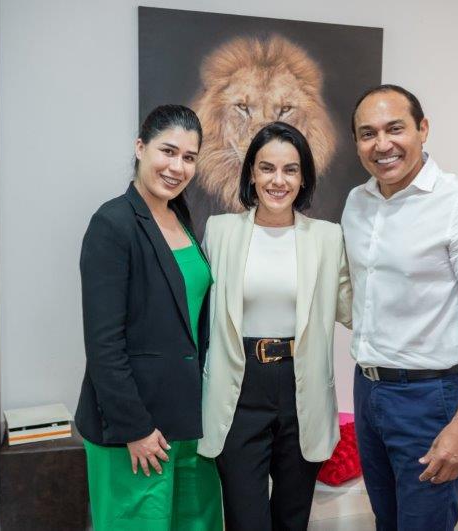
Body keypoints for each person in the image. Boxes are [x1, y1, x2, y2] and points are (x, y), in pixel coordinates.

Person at [342, 85, 458, 530]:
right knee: (386, 522)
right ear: (356, 143)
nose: (382, 144)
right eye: (368, 134)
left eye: (395, 128)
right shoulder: (357, 203)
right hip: (367, 390)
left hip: (428, 397)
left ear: (422, 129)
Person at [197, 122, 352, 531]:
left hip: (302, 389)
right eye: (267, 168)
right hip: (238, 388)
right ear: (251, 173)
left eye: (290, 170)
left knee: (292, 519)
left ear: (304, 178)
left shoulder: (327, 238)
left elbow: (354, 311)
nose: (278, 181)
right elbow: (197, 311)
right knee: (245, 520)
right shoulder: (220, 231)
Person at [74, 104, 222, 531]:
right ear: (141, 148)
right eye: (167, 151)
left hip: (188, 423)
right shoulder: (112, 223)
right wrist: (135, 428)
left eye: (189, 157)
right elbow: (104, 344)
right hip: (137, 431)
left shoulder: (180, 218)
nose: (177, 167)